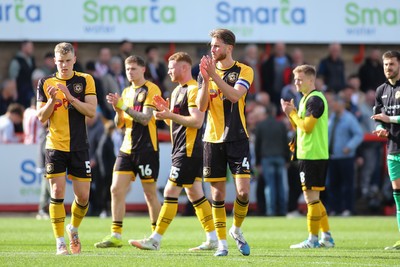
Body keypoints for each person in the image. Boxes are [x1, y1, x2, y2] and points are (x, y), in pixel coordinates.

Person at [129, 51, 217, 252]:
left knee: (170, 191)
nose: (168, 70)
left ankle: (155, 239)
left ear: (184, 68)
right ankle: (212, 238)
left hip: (188, 149)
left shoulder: (194, 90)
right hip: (181, 149)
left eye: (171, 67)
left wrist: (169, 114)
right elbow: (179, 122)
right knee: (195, 193)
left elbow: (197, 121)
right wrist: (166, 115)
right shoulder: (177, 91)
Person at [196, 28, 254, 257]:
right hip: (212, 138)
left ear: (229, 48)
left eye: (217, 45)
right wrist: (205, 80)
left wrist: (214, 76)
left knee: (243, 192)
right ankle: (222, 243)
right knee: (217, 195)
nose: (213, 49)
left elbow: (234, 96)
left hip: (237, 137)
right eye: (211, 45)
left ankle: (236, 230)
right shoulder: (205, 73)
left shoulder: (244, 70)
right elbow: (201, 107)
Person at [36, 42, 97, 255]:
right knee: (57, 191)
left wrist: (70, 98)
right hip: (55, 145)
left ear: (74, 59)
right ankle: (60, 240)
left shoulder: (85, 80)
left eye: (68, 61)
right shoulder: (45, 82)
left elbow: (91, 111)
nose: (64, 65)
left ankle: (73, 229)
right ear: (54, 61)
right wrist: (52, 100)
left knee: (82, 198)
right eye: (60, 61)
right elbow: (41, 117)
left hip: (79, 146)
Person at [94, 55, 161, 249]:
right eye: (127, 69)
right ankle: (116, 234)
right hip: (127, 147)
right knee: (115, 189)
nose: (130, 72)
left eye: (133, 68)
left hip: (147, 149)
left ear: (143, 69)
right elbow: (119, 125)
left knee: (149, 194)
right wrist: (117, 111)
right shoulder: (126, 91)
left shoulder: (151, 89)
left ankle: (155, 236)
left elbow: (146, 118)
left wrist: (123, 106)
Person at [280, 64, 335, 249]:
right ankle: (326, 237)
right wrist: (291, 115)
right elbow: (300, 127)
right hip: (308, 154)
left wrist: (292, 113)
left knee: (311, 198)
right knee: (315, 198)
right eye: (295, 79)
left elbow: (307, 127)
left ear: (311, 80)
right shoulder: (305, 99)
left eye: (300, 79)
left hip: (313, 155)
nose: (296, 82)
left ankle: (312, 240)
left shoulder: (315, 100)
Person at [371, 50, 400, 250]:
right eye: (385, 64)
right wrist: (381, 129)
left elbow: (386, 118)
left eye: (391, 64)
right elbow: (377, 118)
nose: (388, 68)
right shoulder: (380, 90)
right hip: (392, 148)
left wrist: (388, 120)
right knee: (397, 194)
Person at [326, 94, 363, 216]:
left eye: (334, 104)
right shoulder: (331, 118)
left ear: (341, 105)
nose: (332, 106)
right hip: (333, 156)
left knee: (347, 184)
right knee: (333, 184)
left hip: (346, 157)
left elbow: (359, 134)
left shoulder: (349, 118)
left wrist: (349, 146)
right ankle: (335, 208)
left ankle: (348, 208)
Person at [255, 104, 290, 216]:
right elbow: (286, 142)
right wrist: (287, 159)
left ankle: (271, 211)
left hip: (266, 158)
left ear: (265, 113)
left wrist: (257, 162)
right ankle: (283, 210)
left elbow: (257, 145)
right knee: (281, 185)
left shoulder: (260, 125)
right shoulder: (281, 125)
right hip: (280, 157)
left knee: (270, 185)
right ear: (274, 112)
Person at [8, 40, 36, 108]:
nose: (32, 49)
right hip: (20, 92)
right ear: (23, 47)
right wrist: (15, 92)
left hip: (30, 91)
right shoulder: (16, 61)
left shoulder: (31, 59)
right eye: (30, 47)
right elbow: (13, 78)